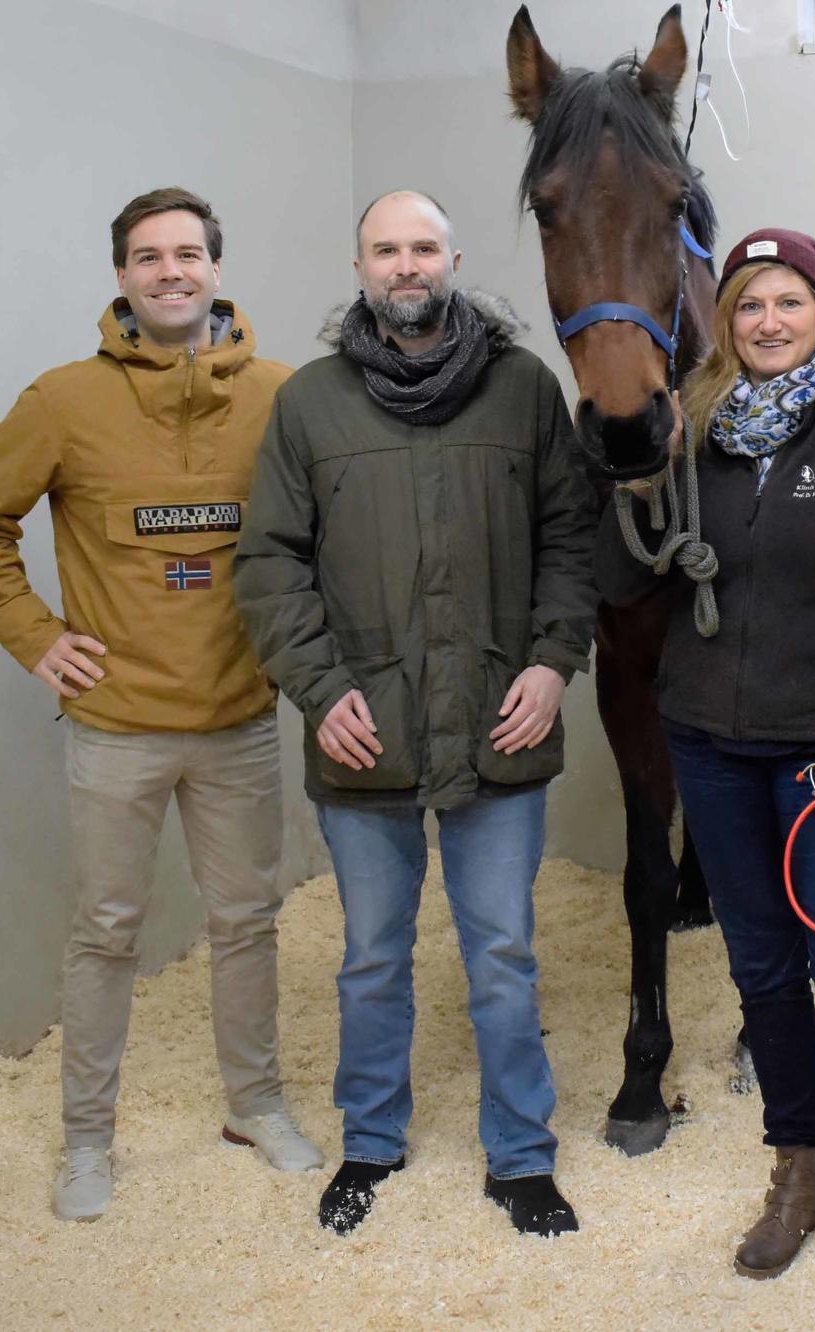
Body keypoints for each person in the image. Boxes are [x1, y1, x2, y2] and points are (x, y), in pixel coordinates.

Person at [0, 187, 321, 1223]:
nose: (170, 272)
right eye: (148, 257)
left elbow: (326, 531)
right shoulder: (62, 401)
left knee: (246, 922)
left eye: (187, 254)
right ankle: (85, 1141)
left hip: (240, 721)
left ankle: (254, 1105)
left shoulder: (284, 396)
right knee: (107, 932)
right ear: (121, 276)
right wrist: (36, 637)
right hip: (116, 729)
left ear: (215, 269)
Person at [597, 229, 815, 1305]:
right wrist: (637, 480)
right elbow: (627, 580)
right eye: (748, 304)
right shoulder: (690, 433)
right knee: (760, 975)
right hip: (710, 748)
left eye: (787, 302)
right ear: (726, 322)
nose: (766, 322)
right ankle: (798, 1172)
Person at [232, 190, 598, 1238]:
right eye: (386, 249)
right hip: (366, 733)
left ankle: (520, 1156)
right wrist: (319, 690)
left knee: (501, 955)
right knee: (370, 958)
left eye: (423, 247)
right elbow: (268, 564)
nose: (406, 265)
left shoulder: (524, 390)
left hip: (499, 722)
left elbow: (572, 542)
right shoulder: (309, 403)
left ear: (453, 260)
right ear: (360, 267)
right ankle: (372, 1141)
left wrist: (552, 664)